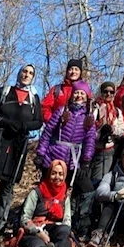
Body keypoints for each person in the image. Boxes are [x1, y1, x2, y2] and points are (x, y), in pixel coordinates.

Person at [0, 65, 43, 235]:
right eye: (24, 72)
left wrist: (23, 126)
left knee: (8, 185)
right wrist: (3, 122)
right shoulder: (5, 91)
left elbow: (39, 121)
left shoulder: (34, 98)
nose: (26, 75)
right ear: (19, 73)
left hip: (17, 146)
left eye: (30, 73)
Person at [36, 81, 96, 238]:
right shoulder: (62, 111)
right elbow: (48, 132)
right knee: (46, 189)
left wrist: (86, 160)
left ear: (87, 97)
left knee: (86, 189)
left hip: (73, 160)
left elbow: (90, 140)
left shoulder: (88, 118)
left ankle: (76, 223)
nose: (79, 96)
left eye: (82, 94)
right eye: (77, 93)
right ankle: (37, 220)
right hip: (55, 156)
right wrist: (41, 153)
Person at [18, 160, 72, 247]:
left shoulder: (65, 197)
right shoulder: (36, 193)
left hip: (55, 229)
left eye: (61, 174)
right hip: (35, 229)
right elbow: (25, 218)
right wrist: (39, 233)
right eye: (54, 173)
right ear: (48, 174)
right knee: (36, 243)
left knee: (65, 233)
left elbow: (67, 220)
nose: (57, 177)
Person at [91, 81, 124, 183]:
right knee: (93, 178)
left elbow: (123, 129)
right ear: (101, 93)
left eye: (111, 92)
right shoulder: (94, 108)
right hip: (93, 148)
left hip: (109, 149)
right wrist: (99, 133)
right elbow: (88, 128)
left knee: (103, 179)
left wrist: (112, 130)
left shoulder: (116, 111)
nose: (108, 94)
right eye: (105, 91)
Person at [41, 58, 83, 123]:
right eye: (71, 69)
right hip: (56, 128)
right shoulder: (57, 89)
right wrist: (52, 121)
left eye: (76, 69)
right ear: (67, 72)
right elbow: (45, 107)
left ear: (80, 72)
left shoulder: (84, 91)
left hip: (77, 129)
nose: (73, 72)